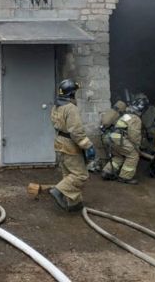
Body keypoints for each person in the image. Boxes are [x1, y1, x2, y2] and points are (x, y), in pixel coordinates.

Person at [48, 79, 96, 213]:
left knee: (68, 174)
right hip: (70, 145)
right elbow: (76, 131)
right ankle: (58, 190)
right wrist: (87, 146)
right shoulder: (71, 108)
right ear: (71, 93)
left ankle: (74, 203)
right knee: (80, 175)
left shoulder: (56, 106)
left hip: (60, 141)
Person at [101, 97, 147, 184]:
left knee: (119, 155)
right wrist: (138, 147)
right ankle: (125, 177)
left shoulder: (125, 114)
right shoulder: (135, 118)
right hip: (119, 139)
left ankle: (107, 172)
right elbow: (134, 135)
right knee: (133, 155)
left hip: (109, 137)